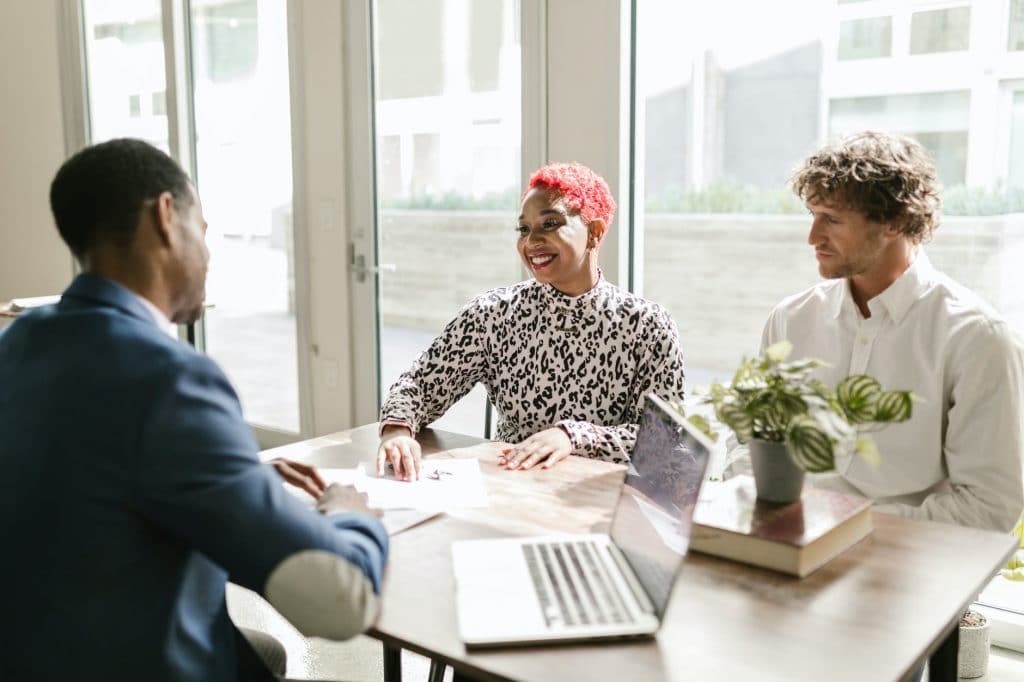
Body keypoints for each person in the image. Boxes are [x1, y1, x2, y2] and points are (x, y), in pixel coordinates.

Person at [0, 138, 388, 680]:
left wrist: (226, 476)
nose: (207, 255)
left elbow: (88, 472)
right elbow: (339, 599)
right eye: (203, 230)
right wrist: (350, 513)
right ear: (165, 217)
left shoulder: (18, 342)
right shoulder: (169, 377)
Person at [760, 130, 1024, 531]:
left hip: (908, 571)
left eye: (831, 219)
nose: (813, 237)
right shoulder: (791, 319)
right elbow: (751, 444)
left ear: (895, 222)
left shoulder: (976, 339)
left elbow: (989, 509)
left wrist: (837, 526)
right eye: (812, 215)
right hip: (786, 552)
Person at [377, 162, 686, 480]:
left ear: (594, 233)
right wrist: (397, 430)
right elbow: (419, 384)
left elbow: (663, 444)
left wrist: (572, 436)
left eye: (550, 224)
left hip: (598, 506)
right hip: (511, 494)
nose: (531, 241)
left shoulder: (648, 326)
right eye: (523, 229)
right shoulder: (492, 314)